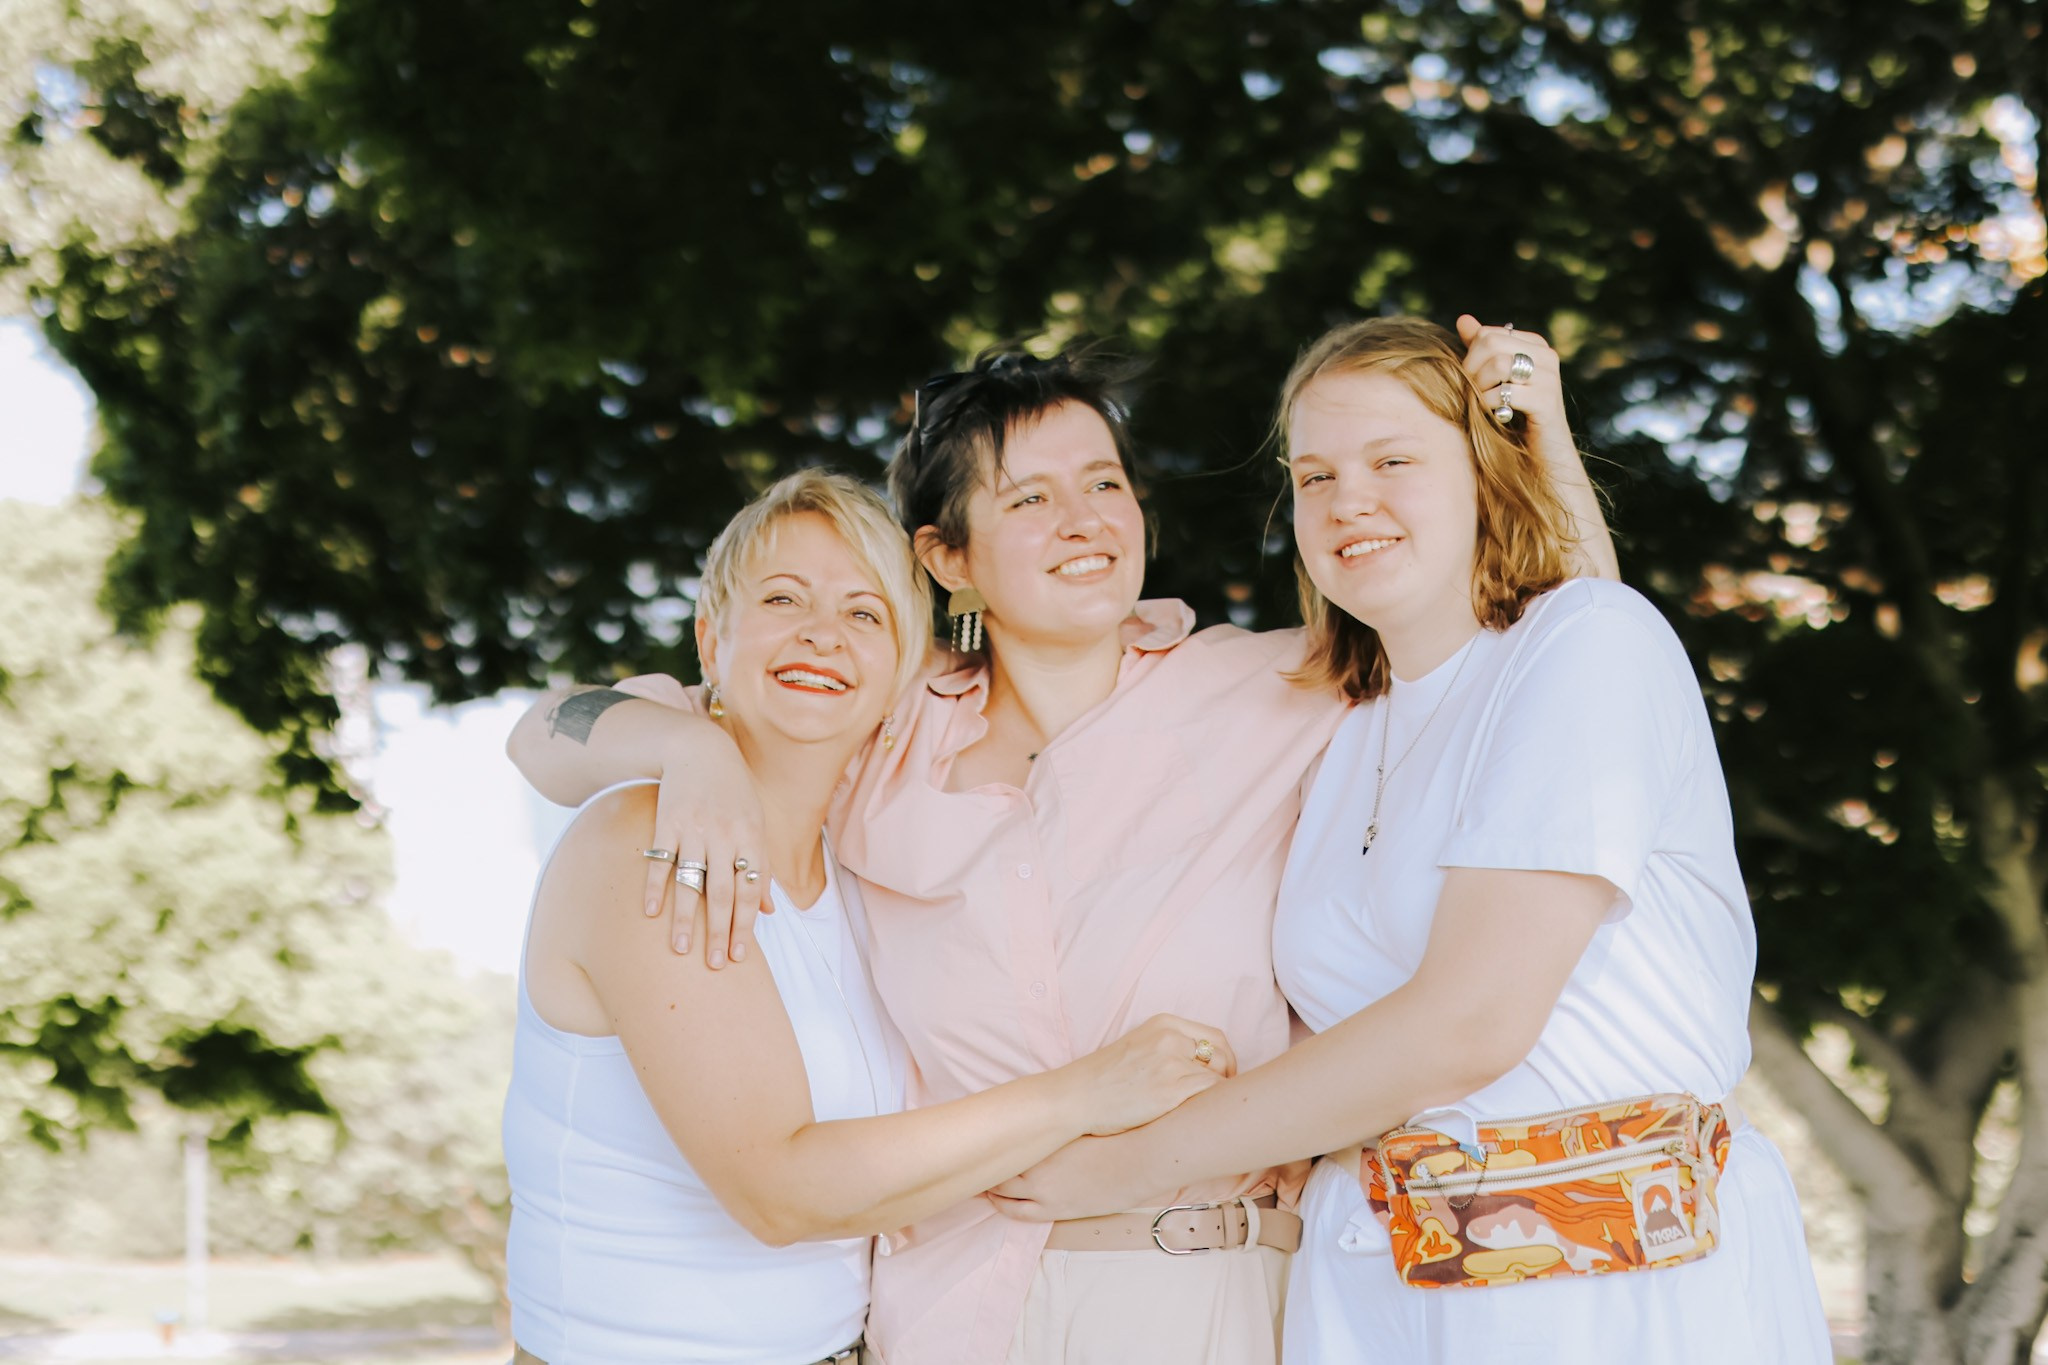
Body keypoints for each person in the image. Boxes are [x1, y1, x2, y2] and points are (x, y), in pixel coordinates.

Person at [504, 324, 1615, 1365]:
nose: (1082, 520)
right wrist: (686, 755)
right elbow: (551, 733)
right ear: (948, 560)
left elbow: (1551, 656)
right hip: (942, 1310)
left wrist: (1536, 442)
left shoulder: (1272, 686)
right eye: (1027, 498)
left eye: (1103, 486)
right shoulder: (879, 731)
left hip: (1200, 1290)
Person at [986, 318, 1832, 1362]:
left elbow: (1466, 1024)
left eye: (1393, 460)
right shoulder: (1338, 725)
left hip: (1604, 1295)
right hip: (1370, 1293)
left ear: (1484, 472)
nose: (1348, 500)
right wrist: (715, 755)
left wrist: (1130, 1164)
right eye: (1313, 475)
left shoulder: (1589, 648)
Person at [501, 469, 1232, 1364]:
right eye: (782, 597)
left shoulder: (856, 874)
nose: (821, 634)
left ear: (906, 669)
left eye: (864, 614)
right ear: (709, 637)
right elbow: (781, 1191)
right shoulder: (644, 840)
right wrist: (1086, 1091)